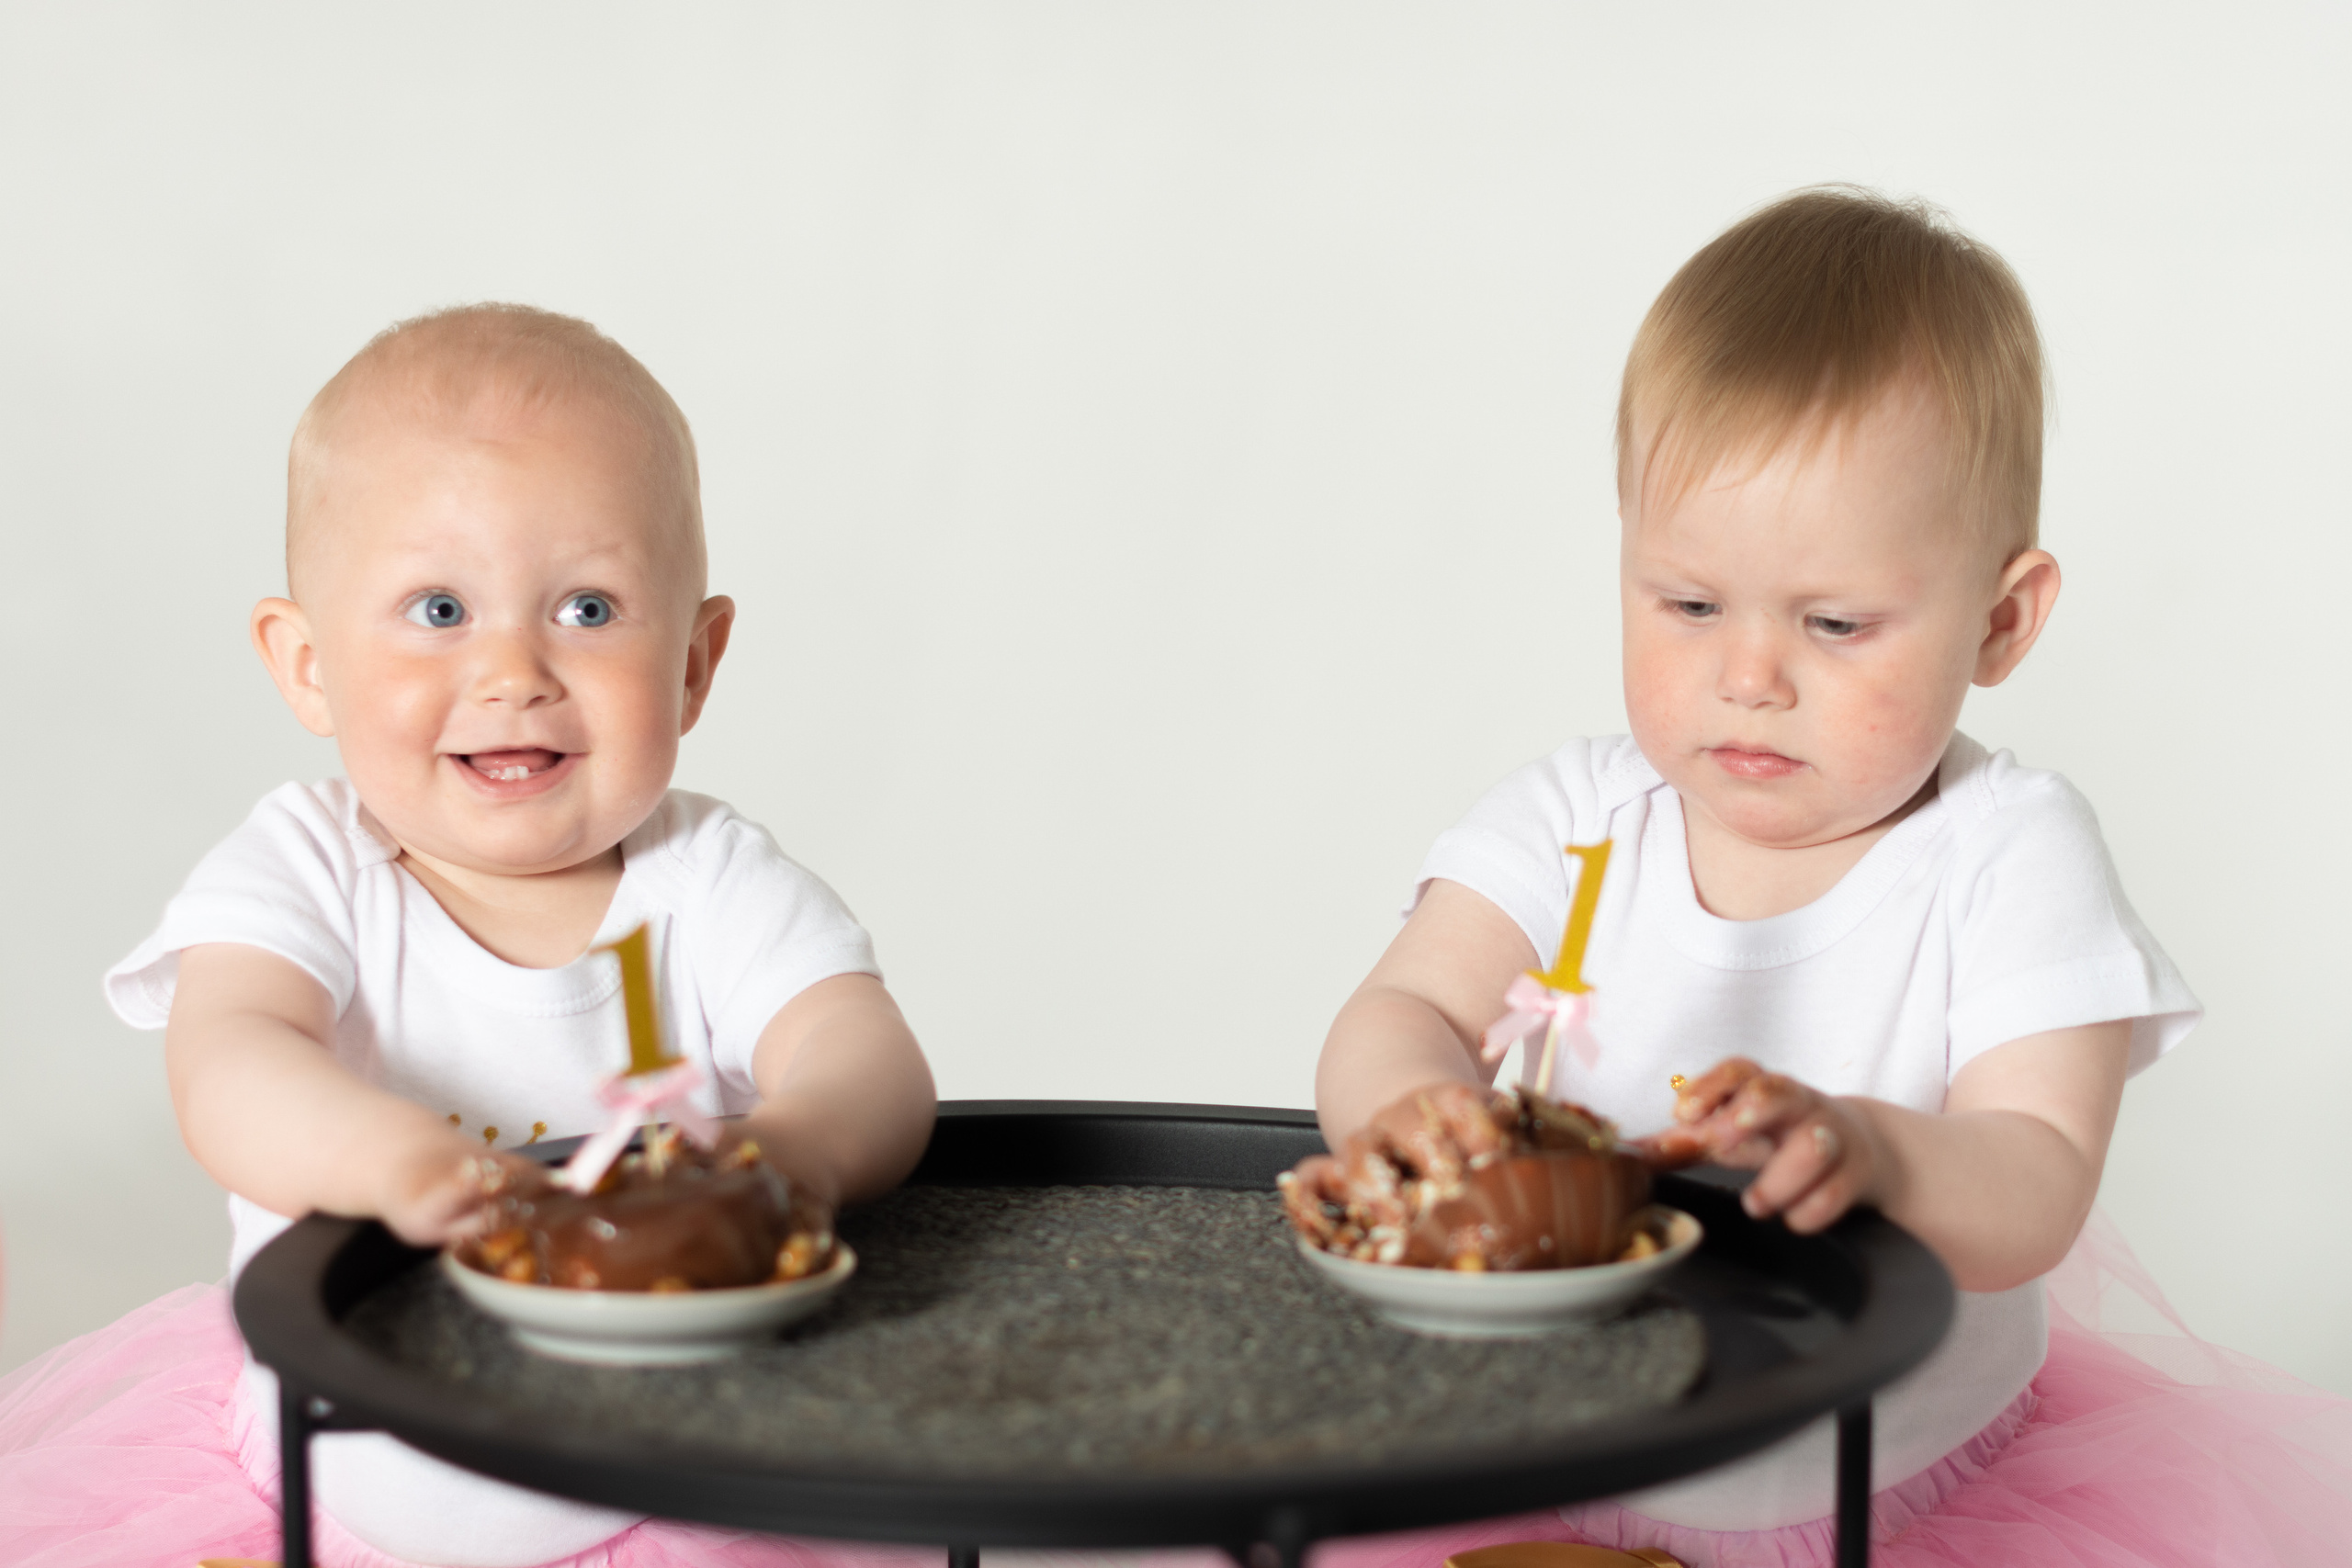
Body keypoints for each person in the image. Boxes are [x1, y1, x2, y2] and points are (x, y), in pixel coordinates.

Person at [1306, 189, 2351, 1568]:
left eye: (1837, 623)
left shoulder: (2005, 852)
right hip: (1540, 1460)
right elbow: (1401, 1012)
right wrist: (1420, 1115)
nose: (1749, 676)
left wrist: (1874, 1150)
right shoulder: (1578, 818)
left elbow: (2036, 1183)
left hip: (1882, 1504)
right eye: (1687, 604)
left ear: (2001, 618)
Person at [0, 305, 941, 1568]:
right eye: (439, 609)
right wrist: (388, 1162)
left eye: (591, 610)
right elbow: (229, 1062)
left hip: (680, 1489)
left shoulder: (707, 884)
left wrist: (785, 1155)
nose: (514, 671)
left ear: (696, 666)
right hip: (333, 1488)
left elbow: (861, 1051)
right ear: (308, 664)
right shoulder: (308, 870)